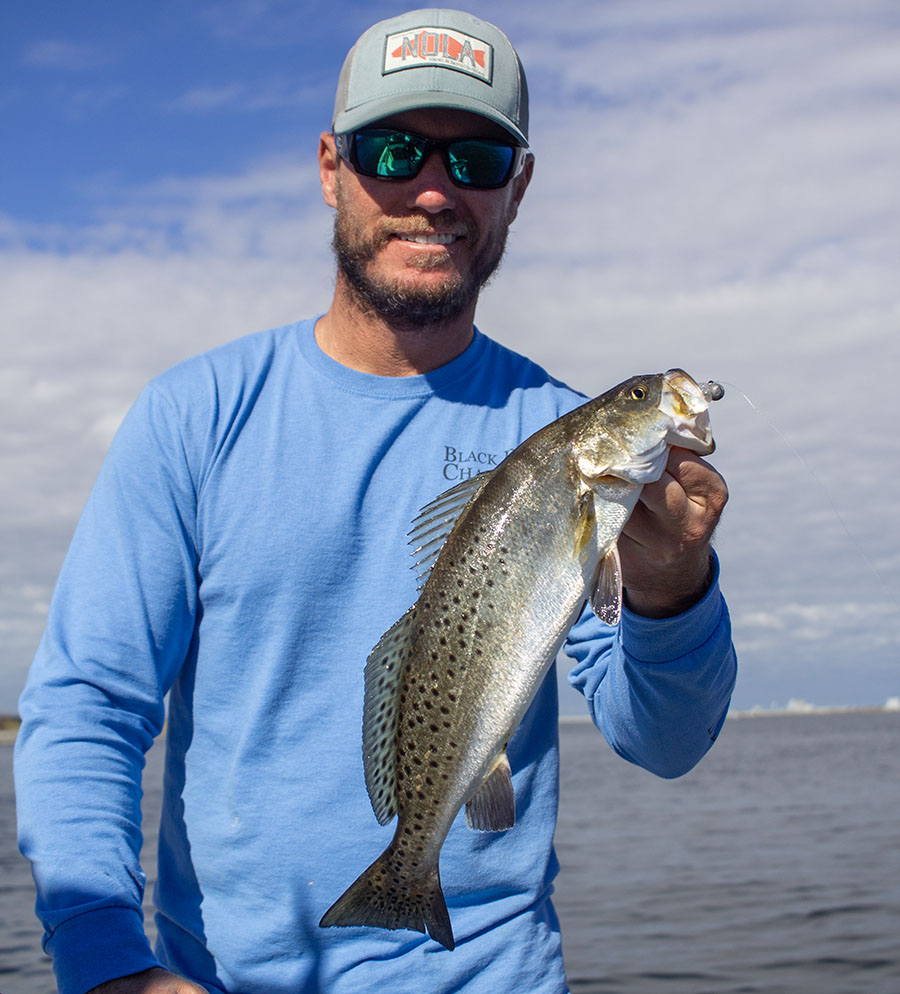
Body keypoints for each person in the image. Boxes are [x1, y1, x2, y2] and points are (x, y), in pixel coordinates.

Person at [15, 9, 736, 994]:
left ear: (516, 190)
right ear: (329, 167)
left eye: (477, 158)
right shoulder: (195, 416)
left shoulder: (562, 432)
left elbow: (664, 741)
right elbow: (89, 707)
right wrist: (105, 964)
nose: (433, 190)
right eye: (392, 151)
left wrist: (674, 591)